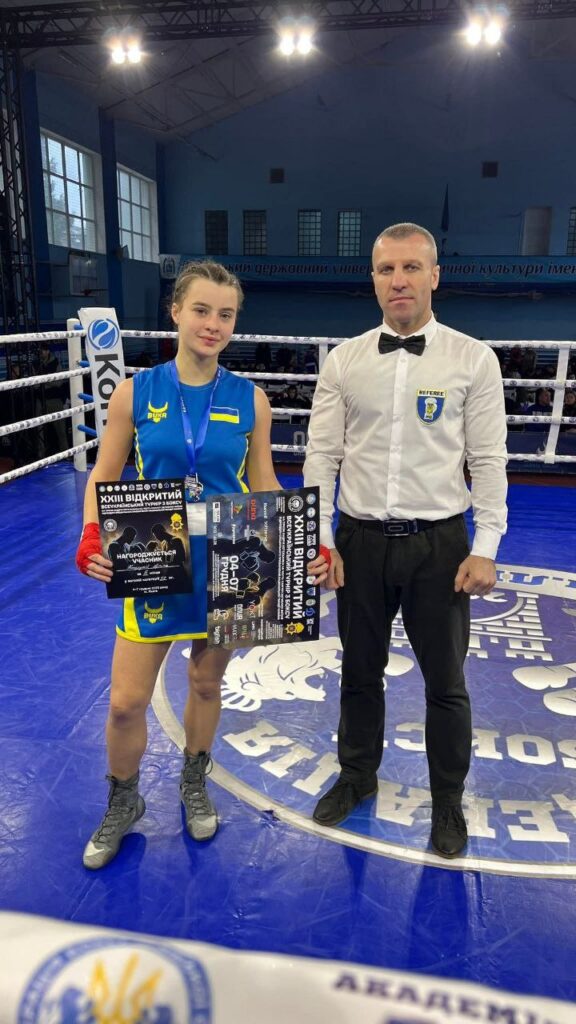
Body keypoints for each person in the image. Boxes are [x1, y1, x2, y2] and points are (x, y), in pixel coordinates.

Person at [304, 223, 507, 859]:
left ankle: (448, 799)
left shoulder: (473, 359)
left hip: (439, 545)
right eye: (387, 269)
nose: (399, 280)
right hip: (359, 541)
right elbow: (322, 456)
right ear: (373, 279)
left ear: (434, 276)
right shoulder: (344, 360)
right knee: (359, 673)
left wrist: (486, 544)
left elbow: (489, 459)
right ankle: (356, 776)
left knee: (446, 682)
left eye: (411, 267)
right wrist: (319, 538)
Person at [75, 260, 281, 869]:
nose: (213, 324)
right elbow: (104, 474)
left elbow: (264, 483)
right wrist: (90, 534)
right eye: (202, 310)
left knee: (206, 683)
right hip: (153, 554)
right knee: (125, 701)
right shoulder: (135, 392)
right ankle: (124, 799)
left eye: (226, 314)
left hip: (231, 557)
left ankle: (194, 779)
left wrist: (304, 545)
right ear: (176, 312)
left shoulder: (252, 399)